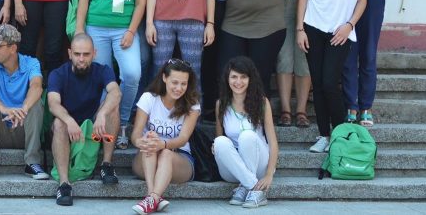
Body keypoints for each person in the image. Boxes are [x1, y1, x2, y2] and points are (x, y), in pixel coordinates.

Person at [296, 0, 370, 153]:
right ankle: (323, 135)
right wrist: (299, 28)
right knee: (318, 83)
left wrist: (349, 25)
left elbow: (362, 1)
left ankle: (339, 135)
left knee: (329, 82)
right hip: (313, 26)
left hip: (341, 31)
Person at [75, 0, 149, 148]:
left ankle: (122, 122)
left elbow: (141, 2)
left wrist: (131, 31)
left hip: (124, 29)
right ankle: (103, 124)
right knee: (102, 78)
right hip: (95, 27)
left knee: (132, 74)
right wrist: (80, 30)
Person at [49, 34, 122, 206]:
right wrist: (69, 121)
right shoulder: (58, 74)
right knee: (59, 122)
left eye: (86, 54)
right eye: (77, 54)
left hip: (94, 134)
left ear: (94, 53)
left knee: (112, 108)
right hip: (68, 134)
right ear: (70, 53)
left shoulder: (102, 70)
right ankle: (64, 184)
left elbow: (115, 92)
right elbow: (53, 104)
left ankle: (106, 164)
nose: (81, 59)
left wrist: (102, 114)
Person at [0, 24, 48, 180]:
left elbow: (36, 86)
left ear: (13, 48)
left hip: (24, 127)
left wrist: (24, 108)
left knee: (36, 104)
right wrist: (4, 109)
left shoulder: (31, 63)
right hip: (0, 129)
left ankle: (32, 162)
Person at [130, 59, 201, 215]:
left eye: (183, 84)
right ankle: (153, 196)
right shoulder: (149, 98)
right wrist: (141, 141)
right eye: (175, 82)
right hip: (147, 159)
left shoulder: (192, 103)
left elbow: (183, 139)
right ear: (164, 78)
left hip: (180, 159)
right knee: (150, 141)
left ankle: (152, 198)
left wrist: (162, 144)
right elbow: (135, 134)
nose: (179, 88)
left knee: (166, 153)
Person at [213, 56, 279, 209]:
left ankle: (246, 186)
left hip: (258, 164)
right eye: (234, 77)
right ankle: (254, 188)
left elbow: (273, 142)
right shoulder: (221, 104)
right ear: (227, 79)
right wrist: (216, 147)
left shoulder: (262, 102)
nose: (238, 82)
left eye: (243, 77)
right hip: (232, 168)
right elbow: (220, 137)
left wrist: (269, 174)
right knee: (219, 142)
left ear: (250, 79)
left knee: (247, 135)